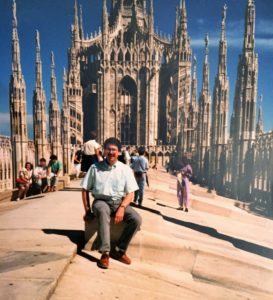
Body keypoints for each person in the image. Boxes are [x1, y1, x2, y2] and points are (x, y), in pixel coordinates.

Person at [81, 137, 142, 269]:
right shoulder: (94, 167)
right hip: (100, 201)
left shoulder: (125, 169)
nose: (111, 152)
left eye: (114, 150)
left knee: (136, 219)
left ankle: (119, 250)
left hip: (118, 202)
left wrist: (122, 207)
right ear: (103, 151)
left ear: (119, 152)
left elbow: (130, 193)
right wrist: (87, 211)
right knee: (103, 212)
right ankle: (105, 253)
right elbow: (85, 189)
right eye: (108, 149)